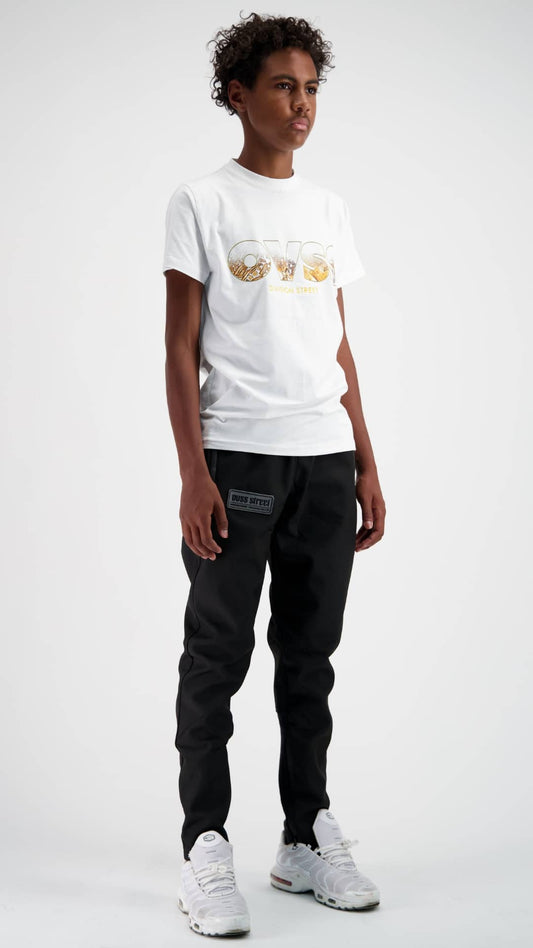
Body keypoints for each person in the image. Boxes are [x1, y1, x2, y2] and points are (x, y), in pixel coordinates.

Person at [162, 12, 386, 938]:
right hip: (238, 456)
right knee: (217, 657)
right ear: (238, 95)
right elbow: (179, 349)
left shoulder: (327, 209)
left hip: (323, 459)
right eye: (284, 86)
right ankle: (204, 846)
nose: (301, 105)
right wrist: (193, 472)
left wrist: (365, 457)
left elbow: (337, 341)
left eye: (311, 88)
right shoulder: (202, 202)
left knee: (308, 661)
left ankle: (303, 837)